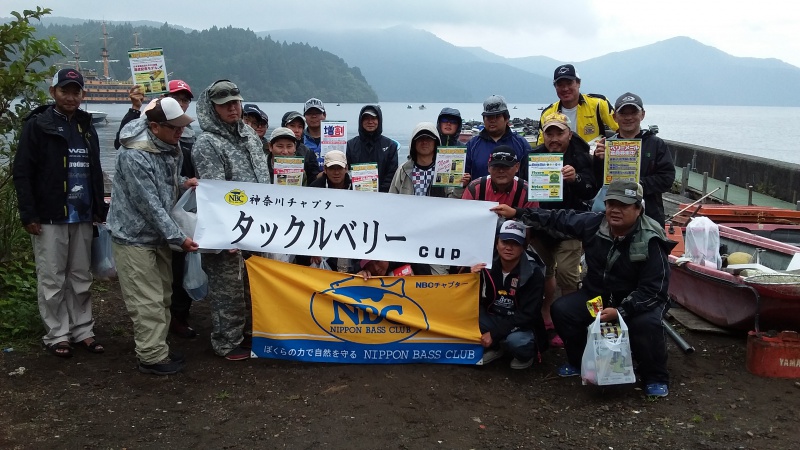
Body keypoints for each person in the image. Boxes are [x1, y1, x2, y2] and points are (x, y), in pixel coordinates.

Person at [492, 180, 675, 397]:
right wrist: (518, 213)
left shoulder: (652, 239)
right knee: (562, 310)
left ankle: (655, 376)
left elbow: (655, 290)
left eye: (624, 205)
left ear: (638, 209)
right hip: (598, 298)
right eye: (611, 204)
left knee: (647, 324)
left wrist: (621, 311)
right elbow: (559, 218)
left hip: (637, 303)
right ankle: (580, 362)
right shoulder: (594, 223)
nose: (615, 210)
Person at [13, 68, 108, 358]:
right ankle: (57, 334)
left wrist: (98, 208)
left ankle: (83, 330)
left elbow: (95, 169)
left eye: (75, 91)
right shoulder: (38, 124)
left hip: (81, 213)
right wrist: (29, 214)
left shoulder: (85, 124)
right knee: (52, 278)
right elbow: (23, 171)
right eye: (64, 90)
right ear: (53, 91)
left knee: (80, 276)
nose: (70, 97)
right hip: (49, 214)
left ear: (82, 94)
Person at [107, 97, 199, 375]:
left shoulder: (170, 147)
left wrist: (184, 183)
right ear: (155, 126)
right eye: (174, 127)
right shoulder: (134, 154)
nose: (180, 132)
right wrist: (180, 238)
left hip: (158, 237)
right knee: (145, 298)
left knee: (162, 293)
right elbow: (150, 205)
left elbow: (165, 185)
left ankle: (158, 345)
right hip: (133, 237)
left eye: (182, 126)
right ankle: (151, 356)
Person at [192, 79, 272, 361]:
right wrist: (225, 236)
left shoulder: (251, 135)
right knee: (228, 288)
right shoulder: (207, 143)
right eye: (225, 104)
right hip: (227, 230)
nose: (233, 108)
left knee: (254, 283)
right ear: (212, 108)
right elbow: (213, 194)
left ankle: (250, 332)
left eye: (236, 102)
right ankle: (226, 341)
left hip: (259, 227)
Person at [528, 112, 598, 347]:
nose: (554, 138)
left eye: (560, 132)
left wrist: (575, 179)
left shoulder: (581, 156)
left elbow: (590, 189)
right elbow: (523, 185)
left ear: (569, 133)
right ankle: (546, 314)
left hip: (571, 226)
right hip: (541, 226)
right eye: (550, 133)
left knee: (568, 273)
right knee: (542, 272)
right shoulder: (534, 156)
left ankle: (568, 320)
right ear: (544, 135)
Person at [470, 220, 548, 369]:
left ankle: (525, 356)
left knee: (517, 342)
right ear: (497, 243)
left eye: (515, 243)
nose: (508, 247)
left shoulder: (533, 272)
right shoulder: (485, 264)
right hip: (494, 315)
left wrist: (494, 334)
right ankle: (496, 348)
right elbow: (472, 298)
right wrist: (472, 278)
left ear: (523, 247)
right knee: (466, 321)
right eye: (504, 241)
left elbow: (528, 315)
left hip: (522, 324)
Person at [593, 92, 676, 226]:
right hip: (613, 216)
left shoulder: (656, 144)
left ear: (642, 114)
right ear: (614, 117)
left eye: (633, 112)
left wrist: (636, 184)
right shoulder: (607, 145)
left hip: (649, 217)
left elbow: (667, 179)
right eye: (623, 113)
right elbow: (596, 183)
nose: (628, 117)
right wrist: (598, 161)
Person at [536, 64, 618, 146]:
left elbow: (620, 128)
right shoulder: (547, 114)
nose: (565, 88)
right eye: (560, 85)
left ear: (578, 83)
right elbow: (541, 146)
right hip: (561, 157)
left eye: (569, 83)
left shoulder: (599, 104)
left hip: (592, 157)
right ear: (555, 87)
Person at [464, 95, 530, 185]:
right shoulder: (472, 145)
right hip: (479, 198)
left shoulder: (521, 144)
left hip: (513, 198)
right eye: (488, 117)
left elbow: (529, 177)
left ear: (506, 118)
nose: (492, 120)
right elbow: (463, 176)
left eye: (496, 116)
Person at [308, 150, 354, 272]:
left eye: (339, 167)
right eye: (332, 168)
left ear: (346, 168)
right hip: (323, 238)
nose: (336, 172)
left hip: (351, 236)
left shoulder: (357, 187)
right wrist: (312, 248)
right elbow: (308, 220)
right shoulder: (314, 188)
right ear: (325, 169)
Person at [462, 146, 538, 208]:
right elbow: (464, 215)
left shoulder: (528, 192)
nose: (501, 171)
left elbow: (532, 221)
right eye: (496, 166)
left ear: (517, 167)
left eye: (506, 167)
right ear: (488, 167)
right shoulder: (474, 188)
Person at [345, 105, 399, 193]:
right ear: (361, 121)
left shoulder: (390, 145)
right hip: (356, 194)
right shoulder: (351, 145)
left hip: (383, 196)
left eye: (373, 118)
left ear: (379, 120)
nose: (370, 122)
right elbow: (347, 171)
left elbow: (392, 173)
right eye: (366, 118)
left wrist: (381, 192)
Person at [389, 122, 448, 198]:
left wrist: (460, 186)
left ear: (435, 142)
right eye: (420, 138)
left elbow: (453, 199)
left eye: (429, 138)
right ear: (414, 143)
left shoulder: (444, 169)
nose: (424, 142)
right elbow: (392, 197)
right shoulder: (403, 170)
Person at [280, 111, 321, 181]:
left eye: (300, 127)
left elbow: (313, 178)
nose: (296, 130)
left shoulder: (308, 152)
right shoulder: (273, 147)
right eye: (292, 126)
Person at [303, 98, 326, 172]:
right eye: (309, 113)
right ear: (304, 116)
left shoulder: (336, 138)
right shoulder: (298, 139)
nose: (313, 116)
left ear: (324, 115)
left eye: (317, 113)